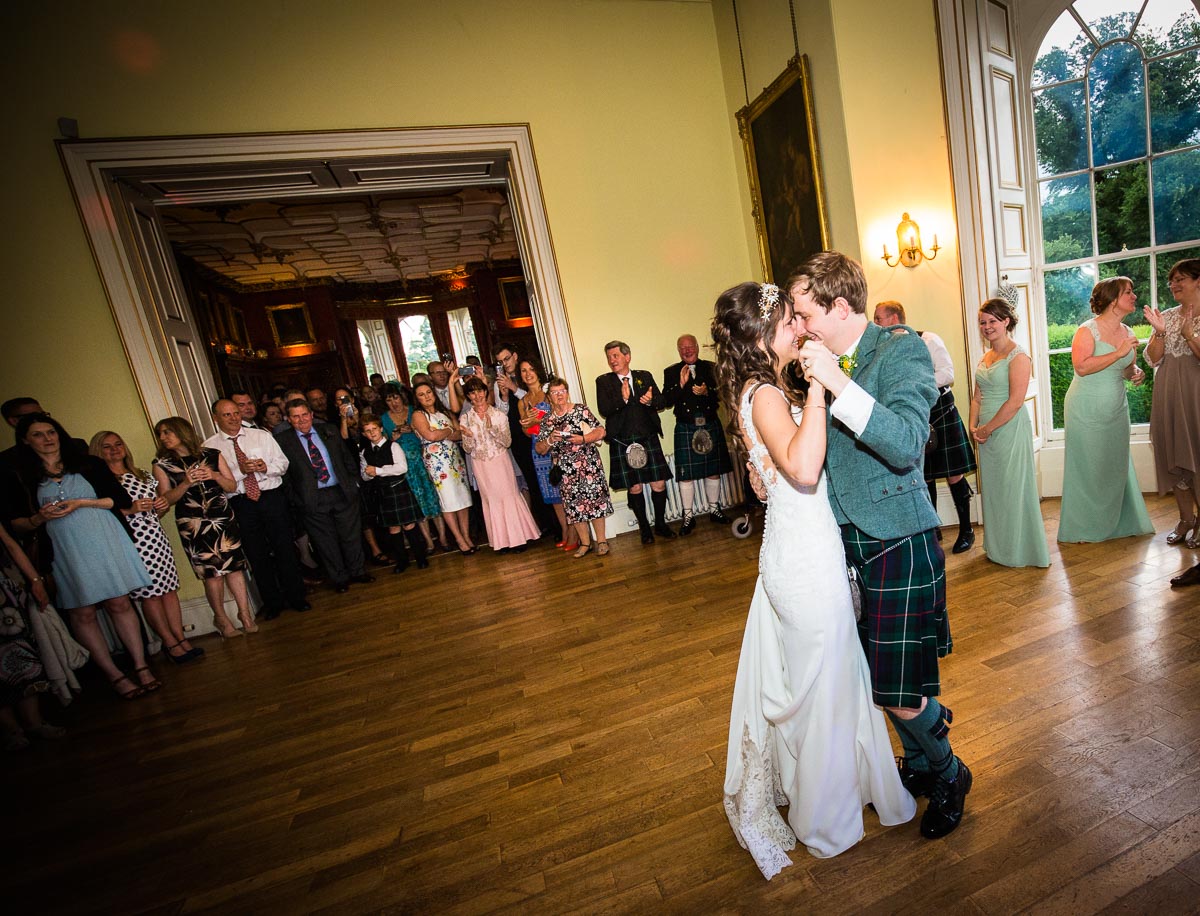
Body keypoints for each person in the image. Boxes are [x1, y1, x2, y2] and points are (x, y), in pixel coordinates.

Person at [713, 280, 914, 877]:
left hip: (805, 545)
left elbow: (774, 468)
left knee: (834, 674)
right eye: (786, 323)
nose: (798, 329)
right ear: (760, 336)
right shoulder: (768, 395)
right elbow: (802, 468)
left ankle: (847, 786)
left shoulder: (765, 390)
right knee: (824, 683)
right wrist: (822, 392)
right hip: (801, 557)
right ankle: (825, 818)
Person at [792, 251, 970, 841]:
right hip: (841, 546)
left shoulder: (901, 350)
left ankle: (948, 771)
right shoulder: (812, 364)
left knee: (894, 688)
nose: (798, 327)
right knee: (888, 676)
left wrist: (838, 382)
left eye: (804, 313)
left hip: (898, 538)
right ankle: (920, 759)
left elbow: (903, 444)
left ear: (839, 307)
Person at [13, 414, 158, 699]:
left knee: (119, 602)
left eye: (51, 432)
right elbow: (15, 522)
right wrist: (38, 518)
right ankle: (114, 675)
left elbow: (119, 500)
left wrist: (80, 502)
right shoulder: (22, 477)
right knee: (83, 611)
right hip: (64, 549)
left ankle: (141, 665)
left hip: (105, 540)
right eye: (38, 434)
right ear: (25, 441)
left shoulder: (88, 464)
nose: (47, 438)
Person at [91, 430, 206, 659]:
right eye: (107, 446)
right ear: (97, 451)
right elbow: (101, 512)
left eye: (118, 444)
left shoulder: (140, 474)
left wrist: (160, 505)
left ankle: (181, 638)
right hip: (133, 541)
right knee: (150, 594)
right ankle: (169, 642)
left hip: (156, 537)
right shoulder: (101, 481)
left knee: (169, 590)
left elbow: (155, 508)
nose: (114, 449)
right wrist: (130, 510)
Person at [873, 301, 977, 553]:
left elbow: (948, 373)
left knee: (953, 473)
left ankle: (967, 530)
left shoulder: (927, 339)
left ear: (894, 317)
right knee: (923, 475)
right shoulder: (883, 347)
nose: (875, 323)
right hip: (912, 415)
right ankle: (932, 529)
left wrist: (917, 383)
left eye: (878, 318)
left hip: (940, 411)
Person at [1058, 278, 1154, 543]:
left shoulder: (1128, 332)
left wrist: (1135, 372)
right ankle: (1084, 526)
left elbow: (1123, 368)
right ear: (1113, 300)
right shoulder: (1086, 331)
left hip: (1115, 408)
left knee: (1114, 463)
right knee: (1088, 466)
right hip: (1085, 407)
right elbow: (1082, 367)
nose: (1134, 296)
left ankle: (1119, 523)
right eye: (1128, 292)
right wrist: (1118, 353)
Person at [203, 399, 309, 619]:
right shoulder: (210, 447)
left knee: (284, 548)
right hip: (241, 503)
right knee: (257, 553)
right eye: (227, 415)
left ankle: (297, 597)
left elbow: (283, 464)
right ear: (215, 418)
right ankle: (272, 603)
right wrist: (240, 471)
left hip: (271, 497)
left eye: (236, 412)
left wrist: (265, 467)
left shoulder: (261, 435)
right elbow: (216, 482)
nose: (234, 418)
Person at [153, 416, 257, 637]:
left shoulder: (211, 455)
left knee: (235, 568)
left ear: (182, 432)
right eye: (160, 434)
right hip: (193, 524)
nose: (163, 438)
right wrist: (185, 483)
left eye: (167, 432)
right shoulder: (162, 465)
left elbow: (231, 485)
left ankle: (245, 614)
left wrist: (214, 475)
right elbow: (166, 500)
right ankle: (221, 619)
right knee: (212, 574)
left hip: (222, 518)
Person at [969, 298, 1051, 568]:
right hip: (984, 434)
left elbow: (1016, 401)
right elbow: (977, 397)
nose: (987, 326)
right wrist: (973, 427)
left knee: (1013, 486)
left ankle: (1020, 549)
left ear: (1006, 322)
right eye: (983, 322)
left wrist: (987, 428)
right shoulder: (986, 357)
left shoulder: (1019, 356)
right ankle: (998, 547)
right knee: (995, 490)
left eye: (993, 321)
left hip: (1008, 428)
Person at [276, 399, 373, 594]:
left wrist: (353, 483)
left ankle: (358, 571)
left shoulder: (328, 430)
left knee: (351, 535)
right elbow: (284, 475)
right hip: (312, 498)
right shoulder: (283, 441)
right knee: (325, 541)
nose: (301, 420)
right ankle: (339, 578)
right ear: (288, 419)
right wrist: (297, 499)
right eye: (295, 416)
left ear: (311, 414)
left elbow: (347, 458)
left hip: (341, 491)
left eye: (304, 414)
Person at [595, 340, 675, 544]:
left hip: (648, 438)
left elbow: (661, 401)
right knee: (635, 487)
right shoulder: (604, 381)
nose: (612, 360)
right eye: (609, 357)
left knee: (658, 483)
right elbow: (604, 409)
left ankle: (660, 524)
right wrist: (621, 400)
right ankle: (644, 529)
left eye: (615, 356)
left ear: (627, 357)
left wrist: (651, 401)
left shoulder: (644, 376)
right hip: (623, 442)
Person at [1145, 258, 1200, 549]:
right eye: (1172, 281)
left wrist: (1190, 336)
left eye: (1181, 279)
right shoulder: (1166, 315)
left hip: (1196, 396)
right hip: (1168, 394)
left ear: (1198, 281)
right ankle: (1185, 519)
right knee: (1174, 458)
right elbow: (1153, 358)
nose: (1174, 285)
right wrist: (1161, 332)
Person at [0, 522, 67, 750]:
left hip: (4, 595)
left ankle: (34, 722)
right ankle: (11, 730)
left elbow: (10, 543)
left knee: (23, 654)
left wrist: (35, 580)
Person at [661, 333, 733, 535]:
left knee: (713, 470)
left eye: (690, 346)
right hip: (686, 425)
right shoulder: (671, 372)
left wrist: (707, 391)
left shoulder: (711, 368)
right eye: (682, 348)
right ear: (678, 351)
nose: (687, 350)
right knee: (686, 475)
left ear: (697, 347)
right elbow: (666, 401)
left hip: (709, 422)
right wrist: (681, 385)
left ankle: (714, 509)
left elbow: (724, 392)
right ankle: (688, 516)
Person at [460, 377, 541, 552]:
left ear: (486, 392)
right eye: (473, 392)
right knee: (491, 500)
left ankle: (519, 538)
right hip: (481, 464)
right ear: (468, 396)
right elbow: (467, 449)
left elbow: (507, 442)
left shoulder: (499, 415)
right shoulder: (465, 419)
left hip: (500, 460)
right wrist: (467, 437)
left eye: (480, 391)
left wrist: (492, 428)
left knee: (509, 496)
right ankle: (501, 542)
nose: (478, 395)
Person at [535, 378, 613, 558]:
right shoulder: (547, 420)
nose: (559, 395)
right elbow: (539, 448)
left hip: (588, 464)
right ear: (549, 397)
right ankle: (585, 543)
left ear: (567, 392)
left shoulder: (581, 409)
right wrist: (549, 440)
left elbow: (601, 431)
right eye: (555, 392)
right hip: (565, 470)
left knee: (595, 502)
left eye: (562, 390)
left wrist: (583, 439)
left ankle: (601, 541)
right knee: (574, 506)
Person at [493, 343, 558, 536]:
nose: (504, 364)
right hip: (521, 436)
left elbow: (537, 400)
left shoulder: (527, 380)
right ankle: (546, 525)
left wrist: (514, 388)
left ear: (514, 356)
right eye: (499, 362)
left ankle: (561, 526)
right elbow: (502, 413)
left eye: (506, 359)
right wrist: (504, 395)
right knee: (533, 481)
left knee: (553, 479)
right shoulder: (500, 383)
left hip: (544, 436)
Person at [357, 414, 429, 572]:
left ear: (381, 429)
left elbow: (402, 468)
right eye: (367, 431)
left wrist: (378, 471)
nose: (372, 433)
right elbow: (364, 475)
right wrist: (368, 474)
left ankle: (421, 558)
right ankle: (402, 561)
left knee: (409, 525)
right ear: (363, 434)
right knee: (393, 528)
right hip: (382, 492)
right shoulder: (364, 452)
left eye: (374, 429)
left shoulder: (393, 446)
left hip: (398, 489)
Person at [411, 381, 475, 553]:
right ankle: (459, 539)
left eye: (428, 392)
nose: (427, 396)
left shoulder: (444, 412)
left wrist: (446, 432)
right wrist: (447, 432)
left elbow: (459, 433)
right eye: (421, 394)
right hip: (437, 463)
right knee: (447, 500)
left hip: (454, 458)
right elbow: (430, 435)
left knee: (462, 499)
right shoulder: (418, 415)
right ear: (416, 398)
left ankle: (466, 536)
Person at [518, 359, 573, 549]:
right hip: (539, 450)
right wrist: (531, 423)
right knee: (553, 495)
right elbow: (526, 431)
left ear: (538, 371)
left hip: (557, 445)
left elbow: (559, 414)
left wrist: (537, 419)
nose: (528, 374)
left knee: (566, 490)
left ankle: (575, 532)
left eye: (531, 369)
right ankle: (565, 530)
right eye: (523, 371)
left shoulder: (549, 391)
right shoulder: (523, 401)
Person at [380, 384, 441, 553]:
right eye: (388, 399)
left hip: (424, 460)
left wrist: (414, 430)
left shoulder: (415, 410)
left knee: (433, 498)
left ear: (402, 396)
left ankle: (443, 538)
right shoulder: (384, 418)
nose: (393, 402)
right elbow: (383, 445)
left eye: (395, 397)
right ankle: (428, 541)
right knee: (418, 503)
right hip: (405, 467)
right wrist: (393, 438)